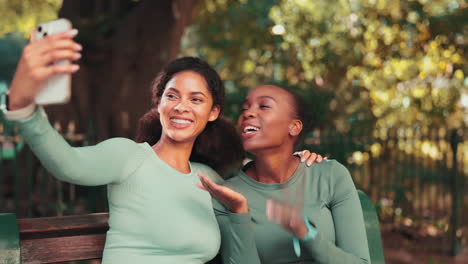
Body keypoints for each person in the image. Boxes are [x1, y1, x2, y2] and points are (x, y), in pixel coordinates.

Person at [3, 29, 322, 263]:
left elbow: (263, 240)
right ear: (159, 104)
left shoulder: (208, 179)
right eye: (172, 95)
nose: (182, 106)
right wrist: (23, 107)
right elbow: (66, 164)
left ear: (213, 113)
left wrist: (297, 166)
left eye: (196, 99)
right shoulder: (129, 157)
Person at [199, 85, 371, 263]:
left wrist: (307, 234)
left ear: (294, 127)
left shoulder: (330, 175)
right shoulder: (228, 195)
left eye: (264, 106)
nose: (248, 113)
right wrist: (239, 212)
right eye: (245, 108)